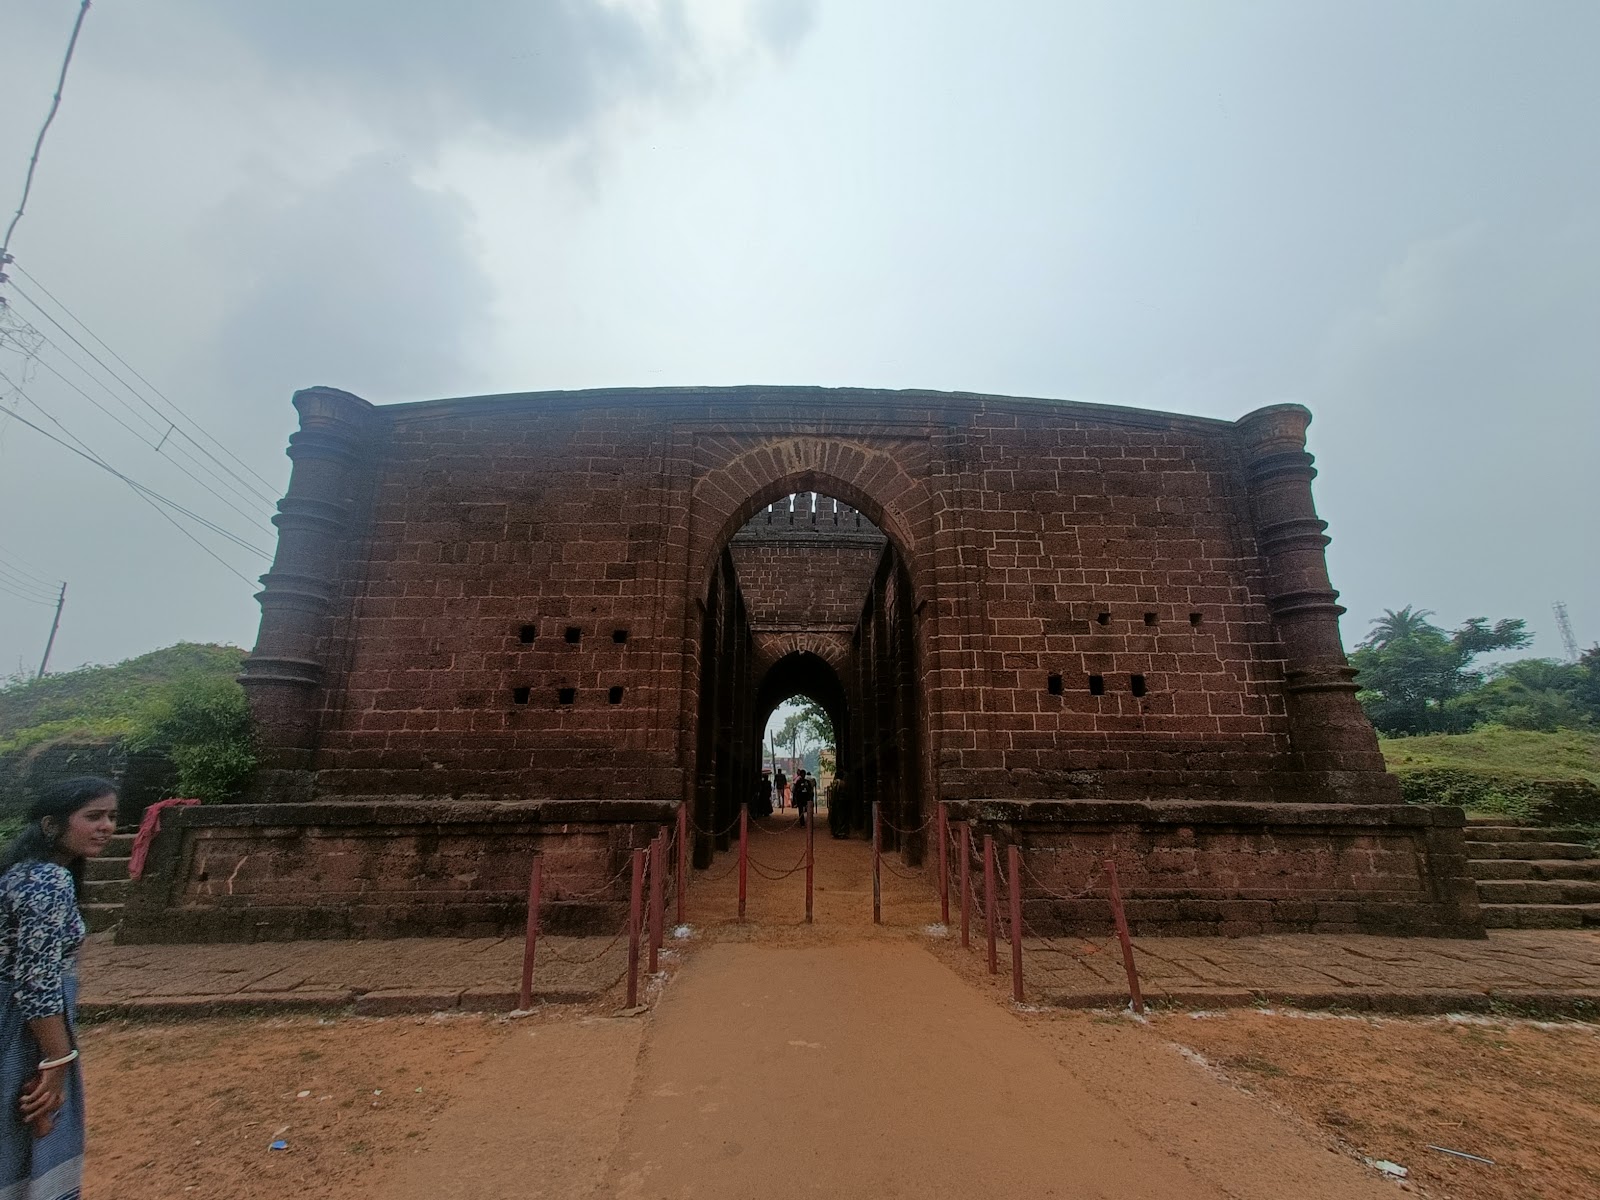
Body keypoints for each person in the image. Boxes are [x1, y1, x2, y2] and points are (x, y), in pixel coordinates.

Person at [0, 776, 118, 1200]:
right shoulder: (49, 881)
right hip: (27, 1030)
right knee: (33, 1128)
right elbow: (36, 981)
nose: (106, 826)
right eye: (93, 816)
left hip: (18, 1021)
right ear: (51, 824)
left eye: (111, 816)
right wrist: (57, 1057)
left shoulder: (22, 874)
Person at [827, 772, 851, 839]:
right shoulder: (842, 783)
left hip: (836, 803)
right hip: (841, 803)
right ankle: (841, 832)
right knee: (841, 818)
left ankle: (836, 832)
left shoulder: (835, 783)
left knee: (836, 817)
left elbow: (833, 794)